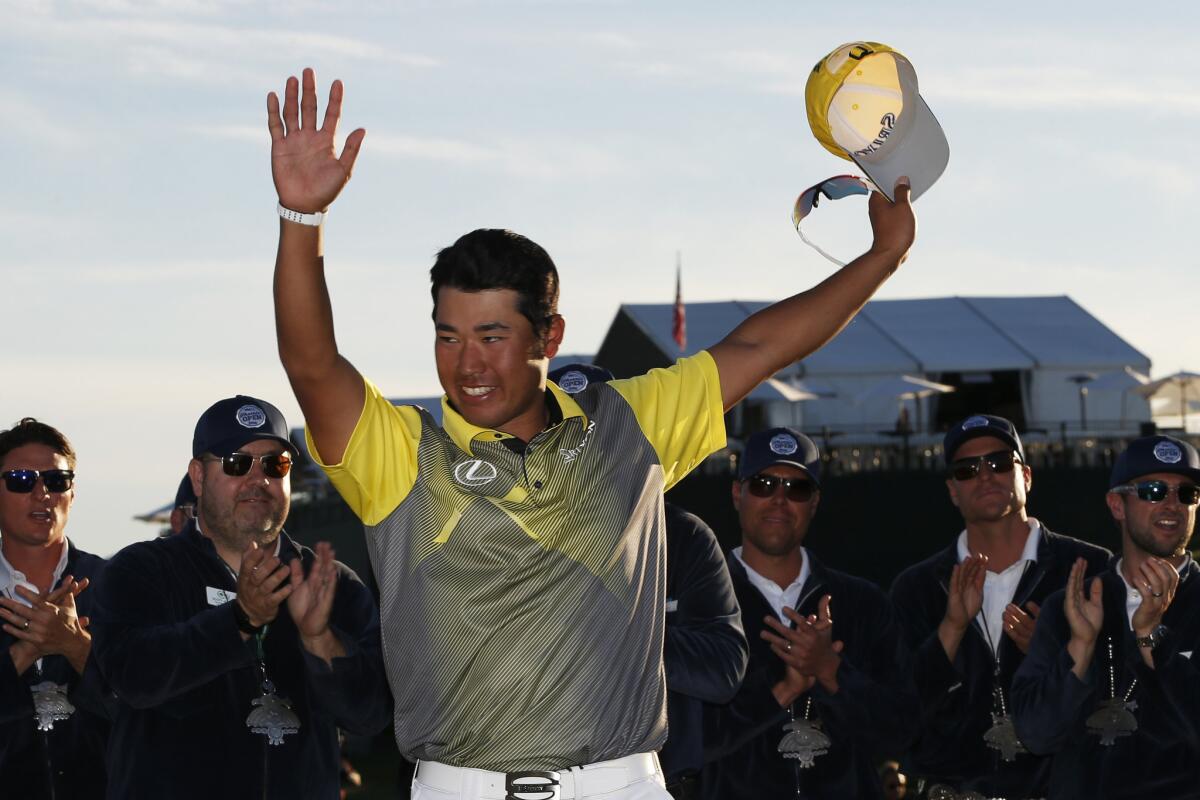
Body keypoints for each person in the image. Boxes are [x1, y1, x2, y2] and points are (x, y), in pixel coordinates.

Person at [266, 67, 916, 800]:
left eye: (491, 337)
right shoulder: (399, 450)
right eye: (448, 338)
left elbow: (761, 347)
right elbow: (312, 362)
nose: (467, 365)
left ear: (552, 335)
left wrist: (880, 258)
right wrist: (301, 223)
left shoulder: (628, 426)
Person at [90, 396, 390, 798]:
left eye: (274, 464)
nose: (258, 479)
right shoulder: (141, 571)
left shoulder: (330, 582)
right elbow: (133, 678)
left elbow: (371, 715)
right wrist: (239, 620)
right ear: (197, 476)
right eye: (236, 463)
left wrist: (320, 641)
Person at [549, 363, 749, 800]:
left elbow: (724, 669)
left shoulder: (682, 535)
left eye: (588, 427)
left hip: (657, 784)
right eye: (559, 427)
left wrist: (623, 634)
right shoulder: (506, 534)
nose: (575, 446)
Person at [889, 414, 1110, 799]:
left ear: (1025, 475)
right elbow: (898, 712)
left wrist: (1054, 656)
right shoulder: (916, 587)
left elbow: (1119, 700)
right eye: (967, 469)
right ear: (952, 490)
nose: (985, 475)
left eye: (999, 463)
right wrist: (951, 630)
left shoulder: (1091, 569)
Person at [702, 428, 915, 799]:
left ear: (814, 503)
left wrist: (832, 672)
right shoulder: (701, 604)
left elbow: (901, 731)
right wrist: (781, 687)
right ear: (738, 494)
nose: (780, 500)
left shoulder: (862, 603)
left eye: (797, 488)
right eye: (764, 484)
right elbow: (685, 739)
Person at [1011, 435, 1200, 798]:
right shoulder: (1068, 605)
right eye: (1153, 490)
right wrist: (1078, 652)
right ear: (1117, 505)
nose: (1172, 504)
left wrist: (1151, 638)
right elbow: (1035, 734)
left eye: (1187, 493)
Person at [0, 418, 111, 799]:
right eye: (19, 479)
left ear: (73, 492)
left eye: (56, 481)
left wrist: (77, 647)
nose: (41, 493)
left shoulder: (120, 585)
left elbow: (151, 710)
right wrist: (24, 651)